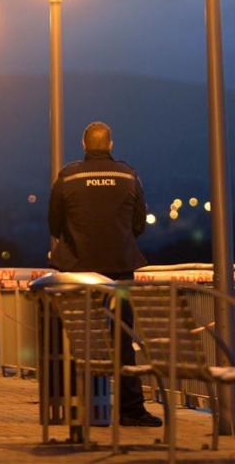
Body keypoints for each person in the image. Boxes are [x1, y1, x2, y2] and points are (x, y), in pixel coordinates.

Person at [48, 121, 162, 427]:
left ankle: (76, 404)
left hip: (76, 273)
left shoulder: (68, 175)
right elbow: (139, 223)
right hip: (120, 272)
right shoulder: (129, 175)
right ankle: (131, 409)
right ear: (110, 145)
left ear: (84, 145)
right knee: (122, 339)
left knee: (76, 336)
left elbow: (54, 225)